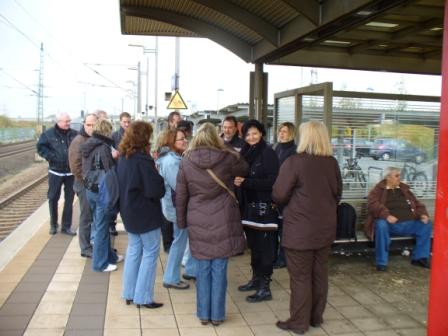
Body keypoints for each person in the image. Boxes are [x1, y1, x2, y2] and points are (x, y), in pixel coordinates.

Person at [272, 120, 342, 334]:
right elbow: (337, 195)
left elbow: (279, 194)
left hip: (299, 231)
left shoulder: (295, 162)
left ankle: (299, 323)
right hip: (325, 229)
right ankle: (315, 318)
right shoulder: (332, 163)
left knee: (301, 277)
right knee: (319, 274)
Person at [176, 122, 248, 326]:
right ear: (216, 138)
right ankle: (217, 315)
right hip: (223, 218)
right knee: (219, 268)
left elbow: (181, 195)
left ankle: (203, 315)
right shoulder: (227, 157)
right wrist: (225, 147)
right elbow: (244, 167)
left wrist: (181, 222)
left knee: (202, 268)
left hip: (197, 219)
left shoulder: (186, 160)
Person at [117, 121, 165, 309]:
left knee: (134, 250)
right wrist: (159, 177)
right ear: (144, 137)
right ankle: (143, 297)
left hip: (128, 211)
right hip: (145, 213)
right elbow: (155, 190)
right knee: (150, 253)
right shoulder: (143, 160)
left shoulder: (123, 157)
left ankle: (129, 292)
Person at [235, 119, 279, 303]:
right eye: (248, 134)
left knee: (265, 248)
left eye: (255, 133)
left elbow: (272, 181)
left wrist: (246, 182)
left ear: (261, 133)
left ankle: (265, 287)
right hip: (248, 207)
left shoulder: (268, 153)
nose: (251, 137)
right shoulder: (245, 152)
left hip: (264, 208)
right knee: (254, 246)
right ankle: (255, 280)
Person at [367, 166, 432, 271]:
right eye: (397, 176)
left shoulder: (404, 189)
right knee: (380, 224)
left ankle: (420, 258)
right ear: (388, 177)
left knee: (426, 224)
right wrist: (386, 215)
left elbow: (417, 204)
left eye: (399, 175)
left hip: (409, 224)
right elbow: (372, 205)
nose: (399, 178)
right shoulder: (378, 190)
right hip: (390, 225)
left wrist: (423, 214)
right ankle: (381, 262)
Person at [81, 119, 122, 272]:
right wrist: (115, 158)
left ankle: (110, 256)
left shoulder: (89, 144)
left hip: (91, 189)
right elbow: (109, 170)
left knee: (100, 224)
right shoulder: (104, 147)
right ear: (106, 131)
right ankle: (100, 264)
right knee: (101, 228)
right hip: (102, 192)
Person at [157, 128, 191, 290]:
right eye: (181, 139)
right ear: (171, 142)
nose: (185, 141)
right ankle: (171, 277)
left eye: (185, 138)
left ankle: (190, 270)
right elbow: (179, 187)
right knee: (179, 241)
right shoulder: (171, 161)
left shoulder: (173, 157)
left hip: (178, 207)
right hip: (178, 208)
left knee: (184, 240)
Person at [36, 112, 78, 235]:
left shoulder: (74, 134)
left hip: (70, 173)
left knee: (69, 200)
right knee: (53, 198)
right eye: (66, 121)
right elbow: (40, 147)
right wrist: (51, 157)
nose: (69, 123)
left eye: (69, 121)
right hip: (55, 171)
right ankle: (53, 224)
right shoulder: (48, 134)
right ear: (59, 122)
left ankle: (66, 226)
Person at [68, 112, 98, 257]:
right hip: (83, 184)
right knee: (86, 216)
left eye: (94, 124)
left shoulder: (95, 139)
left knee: (92, 216)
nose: (91, 127)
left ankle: (93, 244)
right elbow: (75, 167)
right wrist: (88, 182)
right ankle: (85, 248)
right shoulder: (79, 141)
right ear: (84, 124)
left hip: (92, 183)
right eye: (88, 125)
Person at [273, 122, 296, 269]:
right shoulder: (275, 148)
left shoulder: (295, 151)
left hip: (288, 196)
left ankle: (283, 258)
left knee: (285, 229)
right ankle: (277, 256)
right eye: (280, 131)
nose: (281, 134)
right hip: (275, 193)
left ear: (291, 134)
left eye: (285, 132)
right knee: (276, 227)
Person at [110, 111, 132, 236]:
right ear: (120, 122)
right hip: (118, 170)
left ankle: (127, 223)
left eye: (129, 122)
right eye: (124, 122)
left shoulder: (134, 135)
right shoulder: (114, 136)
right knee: (115, 199)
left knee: (126, 200)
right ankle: (112, 225)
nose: (127, 124)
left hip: (129, 170)